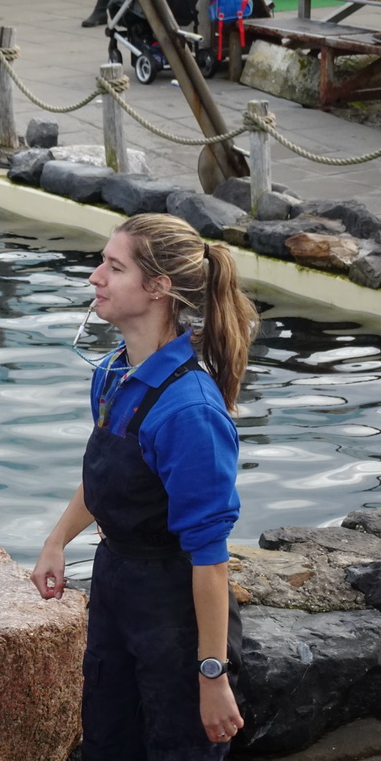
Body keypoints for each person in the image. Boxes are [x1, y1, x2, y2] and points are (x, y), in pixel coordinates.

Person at [31, 213, 257, 760]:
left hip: (176, 612)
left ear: (158, 288)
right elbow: (105, 479)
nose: (94, 278)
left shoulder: (191, 411)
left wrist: (211, 676)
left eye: (114, 267)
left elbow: (209, 558)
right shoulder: (112, 374)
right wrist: (57, 540)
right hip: (115, 587)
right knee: (106, 744)